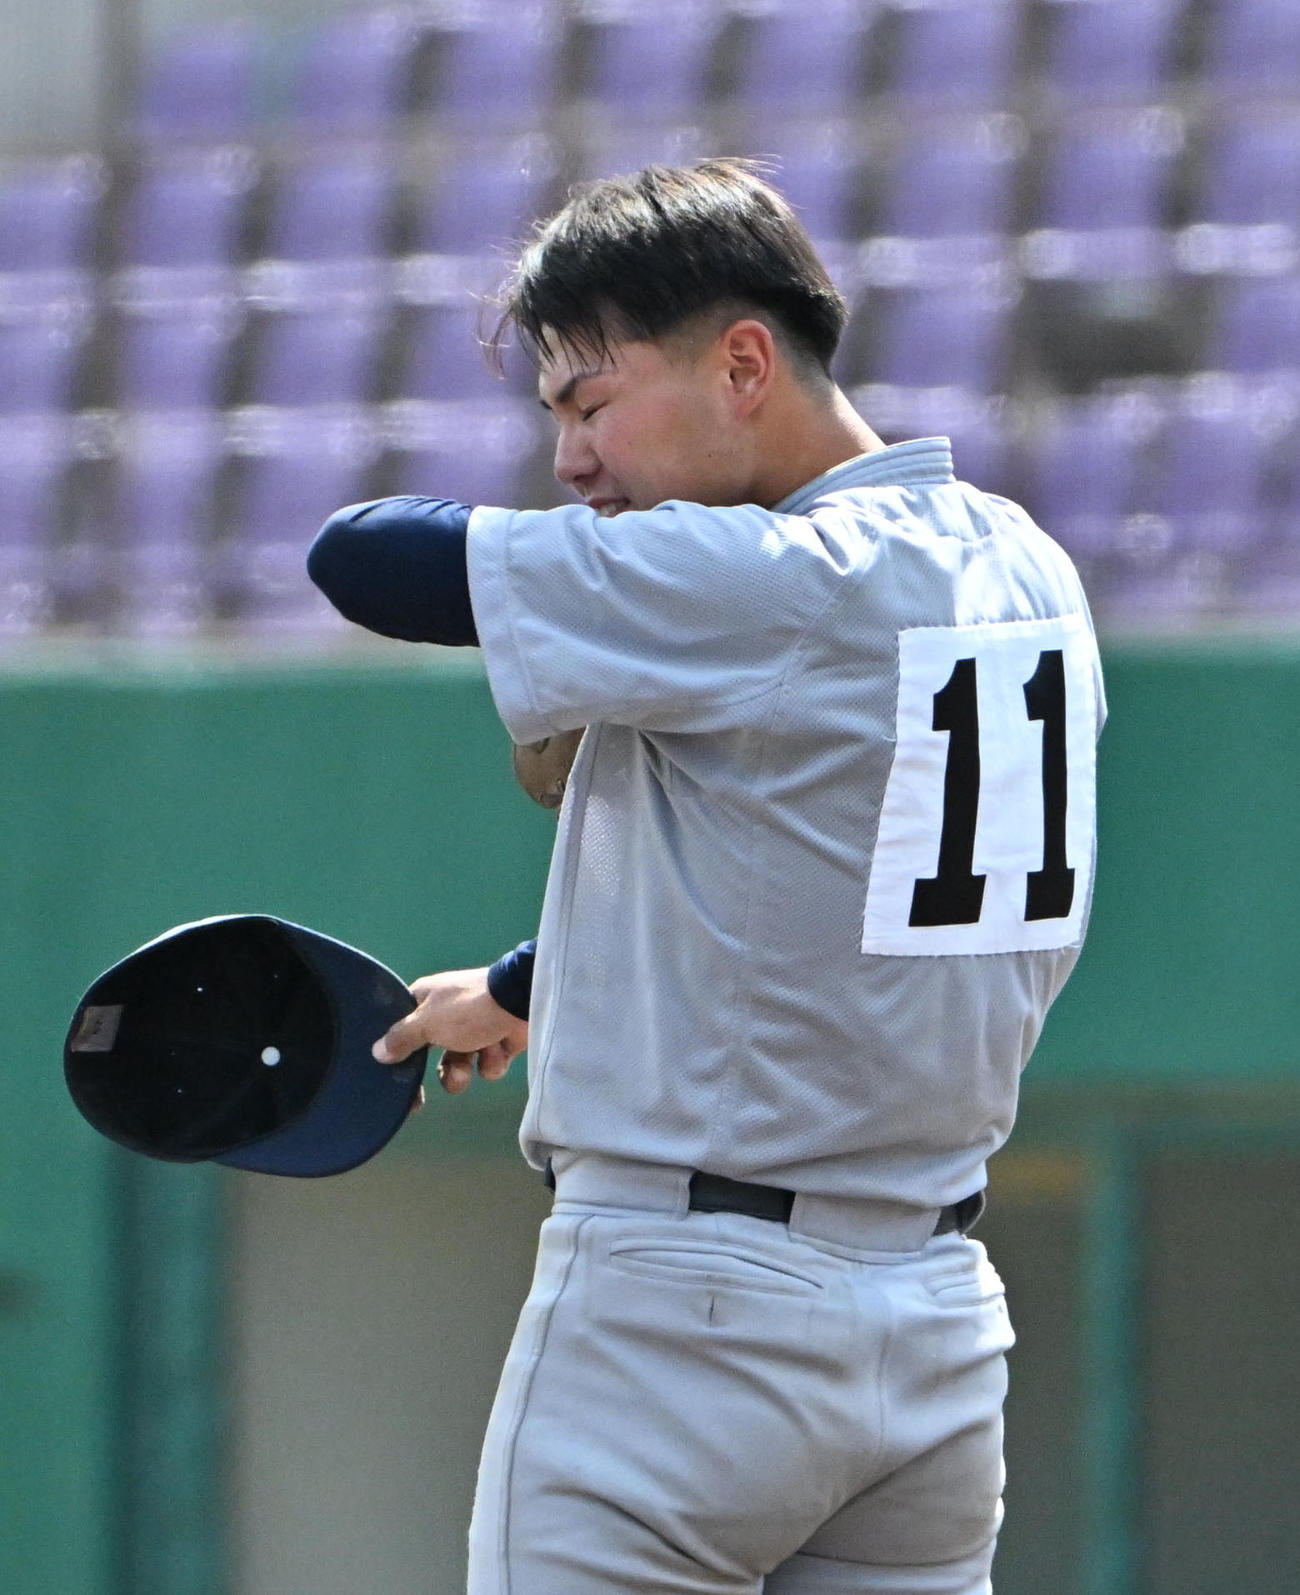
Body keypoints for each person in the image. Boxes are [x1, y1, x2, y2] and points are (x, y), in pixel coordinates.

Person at [307, 159, 1105, 1595]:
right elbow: (836, 882)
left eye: (590, 401)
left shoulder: (771, 575)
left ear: (743, 364)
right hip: (933, 1334)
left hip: (689, 1320)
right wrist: (526, 987)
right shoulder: (1025, 565)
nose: (569, 457)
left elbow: (359, 556)